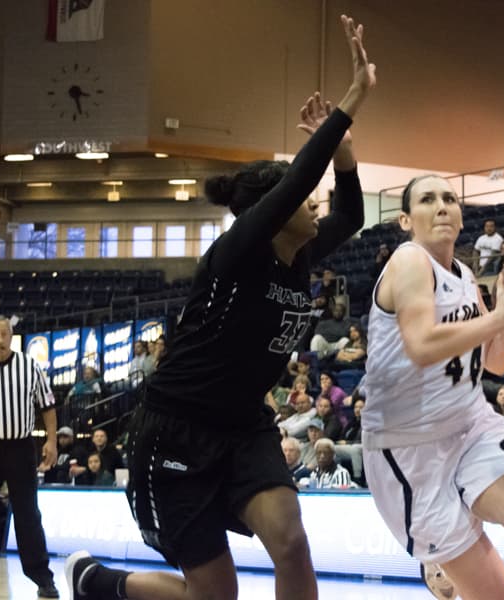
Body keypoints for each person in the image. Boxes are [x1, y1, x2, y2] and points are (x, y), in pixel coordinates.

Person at [65, 16, 375, 600]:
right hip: (175, 432)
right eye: (303, 199)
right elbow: (292, 185)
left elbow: (353, 216)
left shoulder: (302, 252)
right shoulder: (234, 256)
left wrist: (347, 152)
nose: (315, 205)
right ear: (272, 212)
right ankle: (98, 582)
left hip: (243, 428)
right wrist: (351, 101)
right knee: (216, 596)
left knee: (291, 539)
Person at [363, 173, 504, 599]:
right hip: (409, 450)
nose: (441, 206)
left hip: (472, 426)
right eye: (427, 199)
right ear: (404, 220)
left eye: (449, 198)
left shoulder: (467, 276)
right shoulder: (409, 260)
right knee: (495, 595)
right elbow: (421, 345)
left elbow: (495, 362)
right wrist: (502, 317)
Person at [0, 314, 60, 598]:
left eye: (5, 333)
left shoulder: (30, 366)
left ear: (11, 335)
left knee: (28, 514)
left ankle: (42, 578)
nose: (1, 339)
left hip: (21, 449)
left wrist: (52, 441)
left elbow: (48, 406)